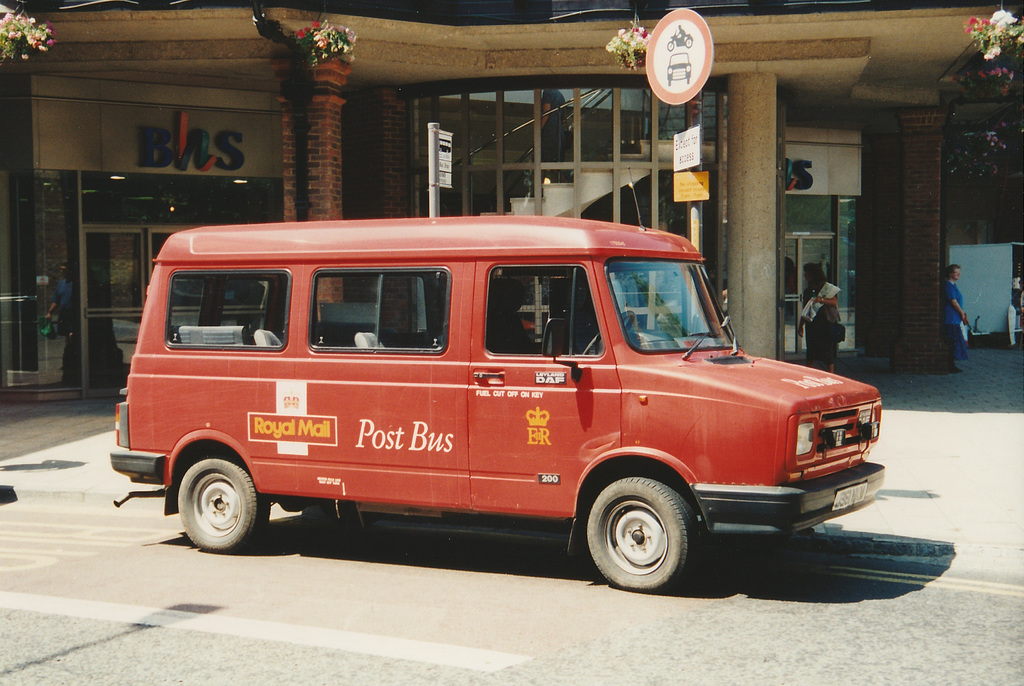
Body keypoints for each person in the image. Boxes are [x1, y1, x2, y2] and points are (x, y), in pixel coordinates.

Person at [797, 262, 840, 373]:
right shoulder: (808, 290)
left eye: (806, 273)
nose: (805, 275)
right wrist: (800, 325)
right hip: (811, 324)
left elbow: (834, 302)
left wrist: (821, 300)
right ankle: (809, 373)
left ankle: (831, 374)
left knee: (826, 351)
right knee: (811, 351)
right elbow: (805, 309)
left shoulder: (825, 288)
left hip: (824, 323)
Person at [46, 262, 79, 384]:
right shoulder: (61, 284)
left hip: (74, 314)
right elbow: (56, 300)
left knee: (72, 335)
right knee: (67, 336)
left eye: (64, 269)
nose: (62, 272)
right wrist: (50, 312)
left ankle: (74, 359)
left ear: (70, 271)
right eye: (61, 269)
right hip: (64, 314)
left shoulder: (76, 284)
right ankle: (69, 359)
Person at [943, 263, 968, 373]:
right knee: (952, 343)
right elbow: (953, 301)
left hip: (955, 319)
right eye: (955, 272)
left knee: (954, 343)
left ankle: (951, 365)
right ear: (950, 273)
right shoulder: (948, 286)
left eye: (959, 272)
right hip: (951, 318)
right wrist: (962, 313)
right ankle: (950, 365)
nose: (958, 274)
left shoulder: (953, 286)